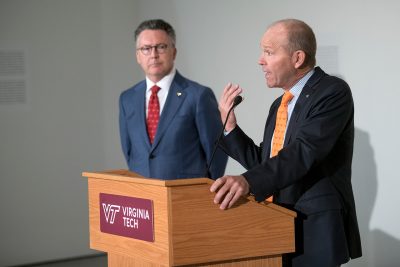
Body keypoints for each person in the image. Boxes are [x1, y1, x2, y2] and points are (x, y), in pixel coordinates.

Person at [210, 19, 362, 267]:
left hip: (314, 229)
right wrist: (230, 128)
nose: (261, 60)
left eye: (269, 52)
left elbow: (303, 152)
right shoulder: (279, 105)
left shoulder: (332, 92)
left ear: (297, 58)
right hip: (275, 226)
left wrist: (248, 181)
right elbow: (266, 163)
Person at [119, 19, 227, 180]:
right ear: (137, 56)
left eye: (161, 47)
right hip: (142, 195)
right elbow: (130, 153)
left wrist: (204, 194)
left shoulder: (198, 95)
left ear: (174, 52)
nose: (154, 55)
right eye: (146, 49)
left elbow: (216, 154)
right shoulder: (127, 99)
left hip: (185, 197)